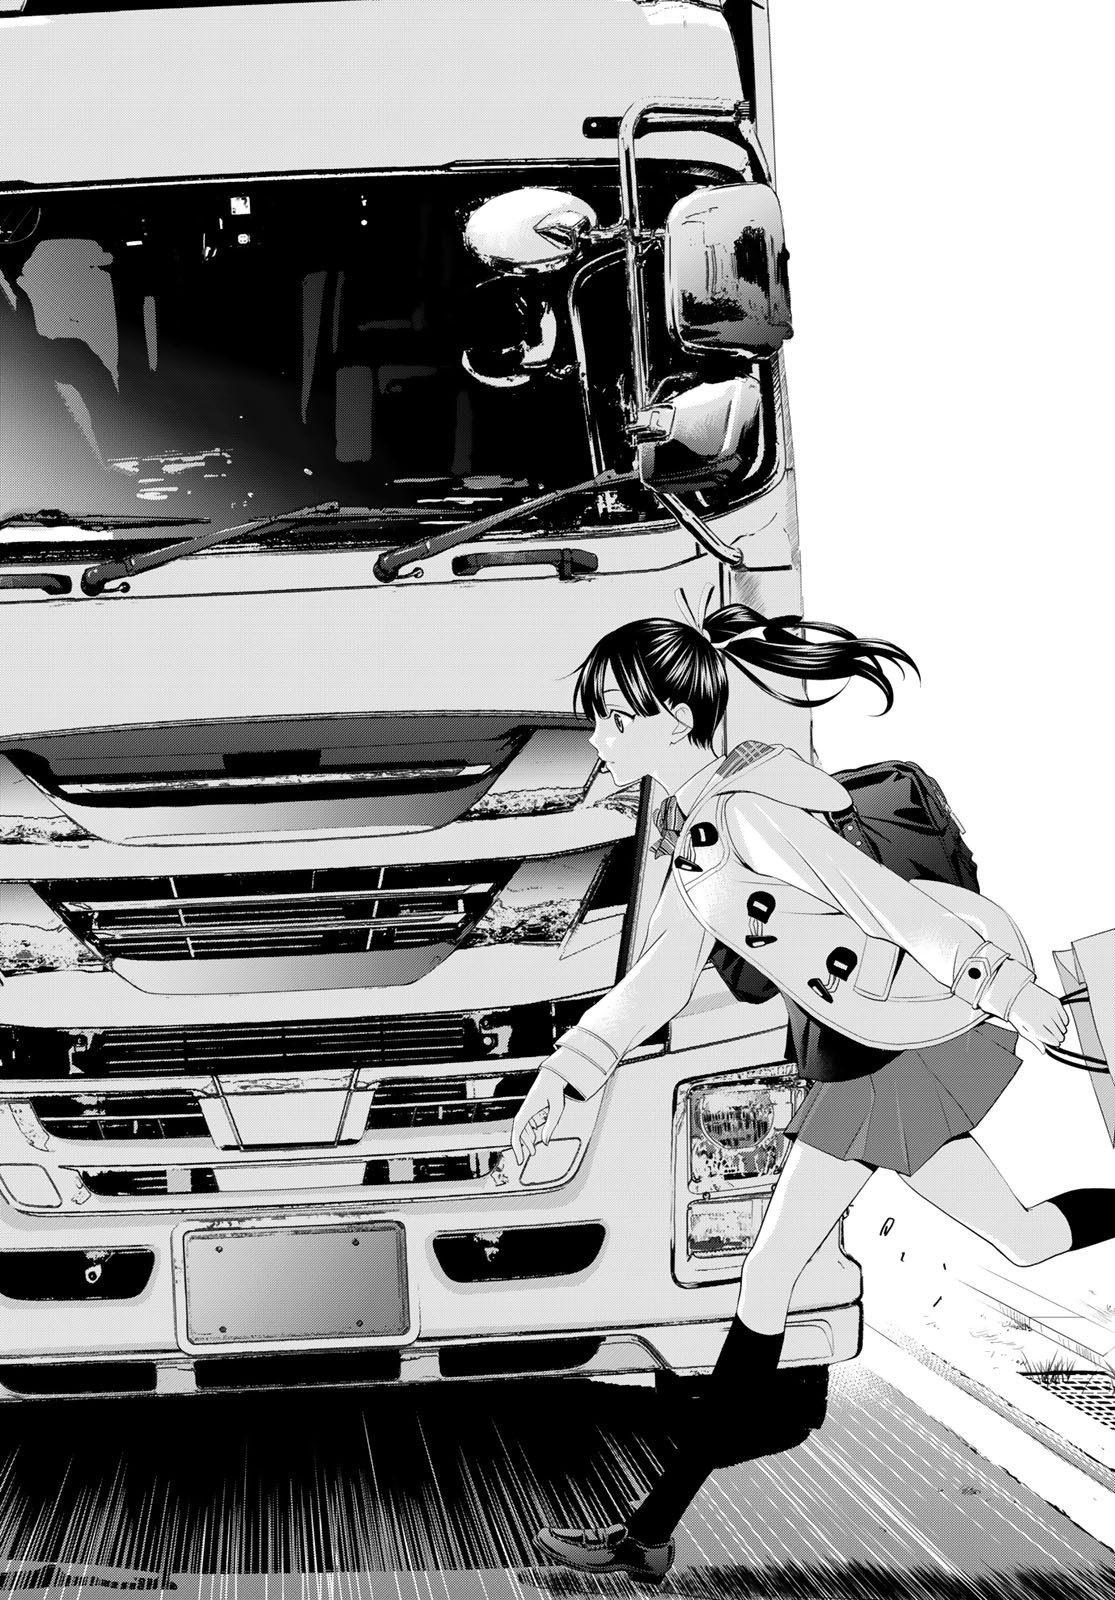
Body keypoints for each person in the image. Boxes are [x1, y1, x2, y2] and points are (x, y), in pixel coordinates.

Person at [512, 600, 1114, 1584]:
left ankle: (648, 1531)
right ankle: (649, 1531)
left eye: (611, 719)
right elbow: (659, 979)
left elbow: (886, 903)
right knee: (1016, 1238)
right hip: (863, 1053)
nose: (596, 739)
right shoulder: (696, 833)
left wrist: (1008, 991)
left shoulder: (747, 812)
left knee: (774, 1279)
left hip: (889, 1052)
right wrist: (566, 1072)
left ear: (671, 719)